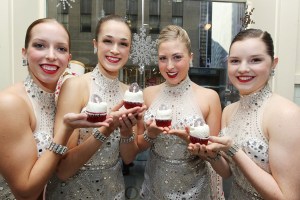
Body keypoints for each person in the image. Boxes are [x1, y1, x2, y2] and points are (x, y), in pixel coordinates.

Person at [0, 18, 108, 200]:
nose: (51, 55)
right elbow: (25, 193)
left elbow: (63, 169)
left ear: (68, 59)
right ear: (24, 53)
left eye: (61, 49)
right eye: (40, 45)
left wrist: (107, 127)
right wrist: (65, 130)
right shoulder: (10, 103)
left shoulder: (60, 100)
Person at [189, 28, 300, 199]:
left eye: (255, 60)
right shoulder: (229, 111)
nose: (243, 68)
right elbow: (227, 173)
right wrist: (210, 155)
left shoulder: (286, 115)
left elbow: (287, 197)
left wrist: (234, 150)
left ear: (273, 63)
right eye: (235, 61)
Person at [45, 14, 145, 199]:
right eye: (108, 41)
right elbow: (63, 169)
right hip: (73, 191)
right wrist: (105, 129)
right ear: (95, 44)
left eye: (123, 44)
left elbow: (128, 158)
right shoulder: (75, 86)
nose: (115, 50)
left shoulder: (129, 94)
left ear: (129, 50)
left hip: (113, 190)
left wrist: (125, 132)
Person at [137, 25, 223, 199]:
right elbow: (138, 145)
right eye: (163, 58)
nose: (169, 66)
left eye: (177, 57)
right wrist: (150, 135)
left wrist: (194, 143)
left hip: (196, 187)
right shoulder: (148, 94)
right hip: (156, 185)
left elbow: (214, 155)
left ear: (190, 58)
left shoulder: (210, 97)